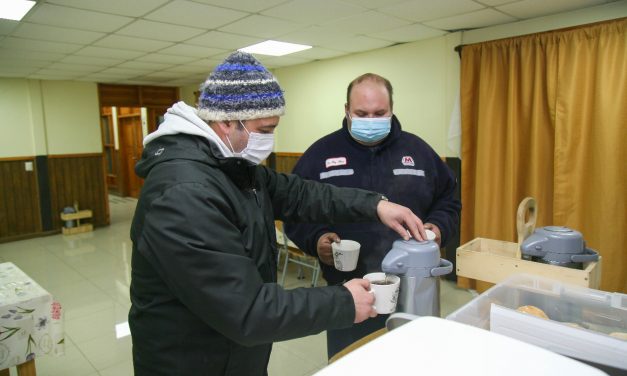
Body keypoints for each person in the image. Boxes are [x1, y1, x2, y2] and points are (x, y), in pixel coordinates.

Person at [128, 53, 428, 376]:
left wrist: (376, 205)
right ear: (227, 121)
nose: (269, 140)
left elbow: (301, 194)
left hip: (235, 358)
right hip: (192, 362)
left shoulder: (233, 164)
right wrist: (343, 302)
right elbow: (248, 310)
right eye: (264, 129)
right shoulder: (183, 195)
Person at [285, 73, 461, 359]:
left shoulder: (419, 152)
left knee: (414, 363)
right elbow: (295, 210)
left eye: (380, 113)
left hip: (413, 289)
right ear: (346, 111)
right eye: (361, 113)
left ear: (392, 109)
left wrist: (438, 228)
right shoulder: (319, 155)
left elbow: (449, 201)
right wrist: (315, 239)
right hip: (349, 294)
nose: (371, 120)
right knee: (352, 362)